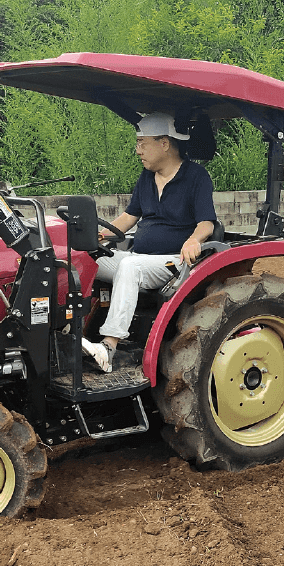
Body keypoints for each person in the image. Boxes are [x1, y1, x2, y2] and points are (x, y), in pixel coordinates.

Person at [81, 112, 216, 372]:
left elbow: (207, 223)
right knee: (86, 258)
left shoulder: (196, 177)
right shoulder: (146, 177)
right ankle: (71, 334)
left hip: (173, 261)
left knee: (130, 268)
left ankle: (108, 347)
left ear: (164, 143)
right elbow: (129, 217)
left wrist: (192, 240)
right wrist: (98, 235)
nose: (138, 151)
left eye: (142, 143)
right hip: (138, 256)